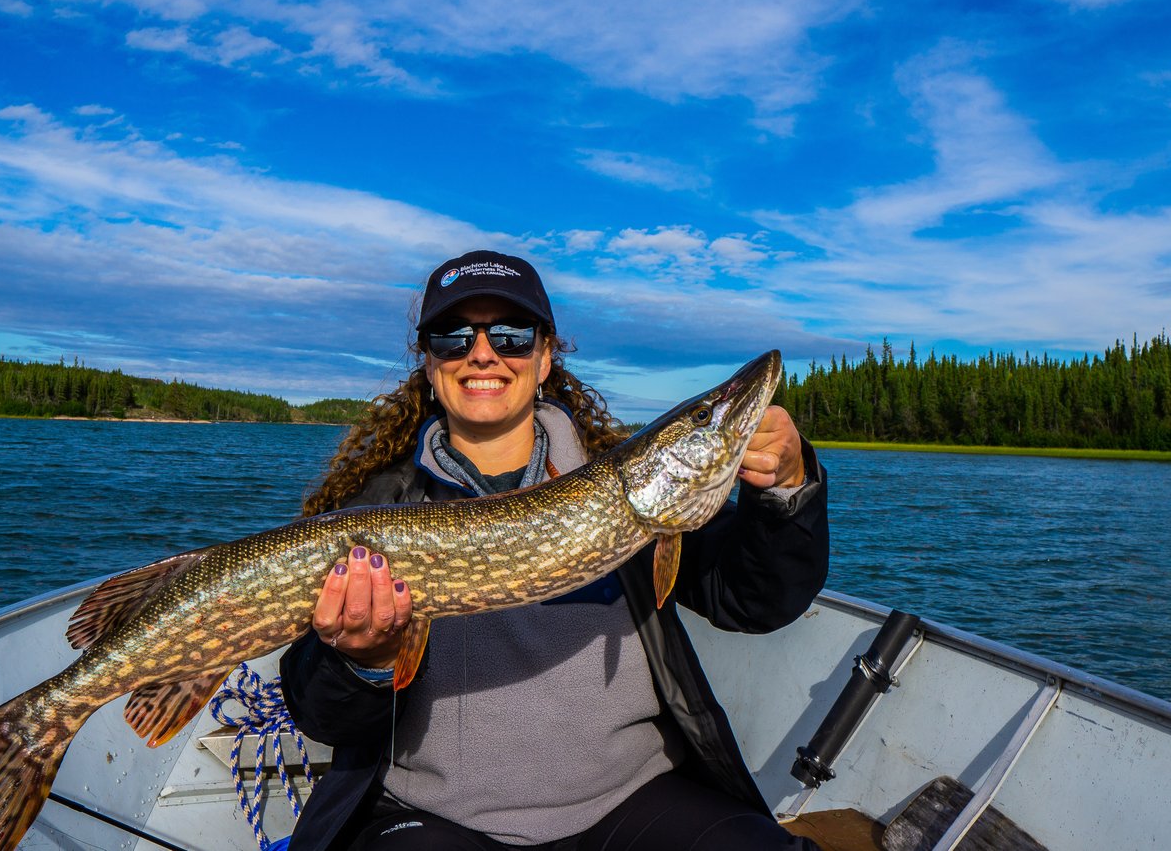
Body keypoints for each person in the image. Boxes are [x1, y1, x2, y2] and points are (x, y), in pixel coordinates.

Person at [279, 250, 829, 851]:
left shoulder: (629, 495)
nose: (482, 353)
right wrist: (366, 662)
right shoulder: (373, 514)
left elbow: (755, 601)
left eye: (511, 335)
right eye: (453, 336)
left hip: (631, 798)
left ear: (544, 358)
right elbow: (322, 715)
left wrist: (786, 489)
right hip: (434, 815)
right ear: (430, 364)